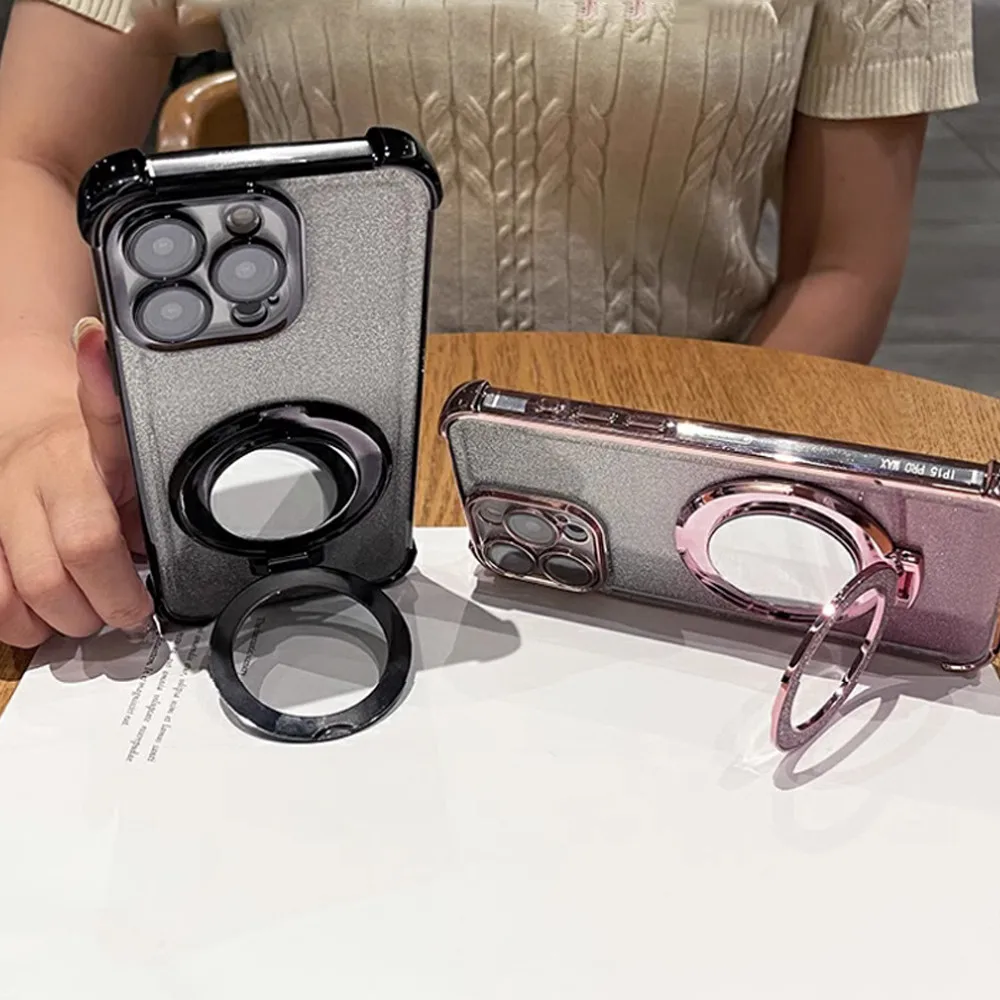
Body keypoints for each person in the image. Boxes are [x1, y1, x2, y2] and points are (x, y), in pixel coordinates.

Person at [0, 0, 977, 648]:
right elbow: (36, 153)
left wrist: (695, 487)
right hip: (299, 475)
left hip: (683, 463)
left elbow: (841, 264)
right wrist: (35, 408)